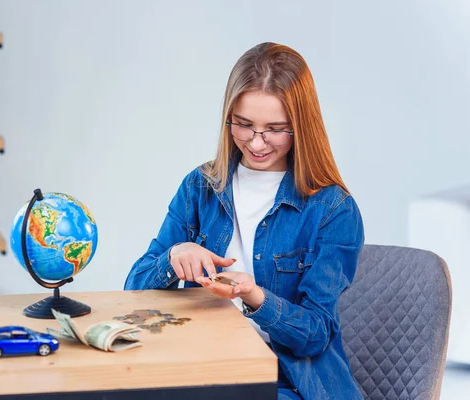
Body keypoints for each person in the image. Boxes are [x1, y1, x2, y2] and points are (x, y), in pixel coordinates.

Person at [123, 42, 364, 400]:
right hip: (205, 372)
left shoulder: (332, 209)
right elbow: (133, 292)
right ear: (229, 118)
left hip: (289, 384)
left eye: (275, 129)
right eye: (244, 125)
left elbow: (315, 333)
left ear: (302, 126)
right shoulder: (199, 188)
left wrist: (253, 297)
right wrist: (174, 256)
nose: (256, 142)